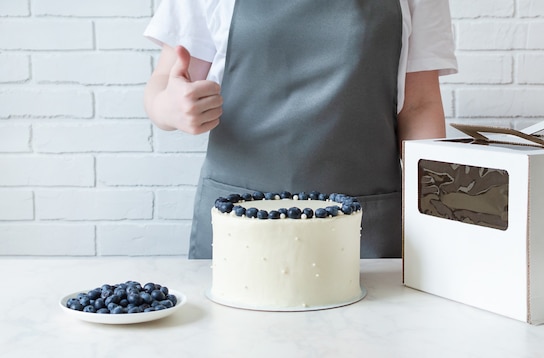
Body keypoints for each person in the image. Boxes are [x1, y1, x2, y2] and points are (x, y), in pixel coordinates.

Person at [144, 0, 457, 259]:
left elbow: (420, 106)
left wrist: (436, 218)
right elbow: (164, 84)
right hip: (238, 222)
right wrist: (170, 107)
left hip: (364, 228)